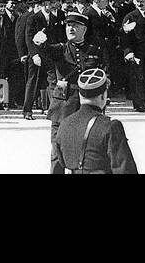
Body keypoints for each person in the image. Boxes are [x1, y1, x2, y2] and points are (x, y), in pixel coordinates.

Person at [33, 10, 105, 173]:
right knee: (57, 150)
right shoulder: (60, 49)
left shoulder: (94, 50)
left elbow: (100, 78)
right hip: (63, 106)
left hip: (85, 105)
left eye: (75, 25)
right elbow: (46, 51)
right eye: (68, 25)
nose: (70, 28)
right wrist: (39, 44)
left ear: (84, 29)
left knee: (83, 148)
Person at [54, 68, 138, 174]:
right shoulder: (110, 126)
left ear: (80, 95)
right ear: (103, 96)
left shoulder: (64, 124)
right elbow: (125, 169)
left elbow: (60, 163)